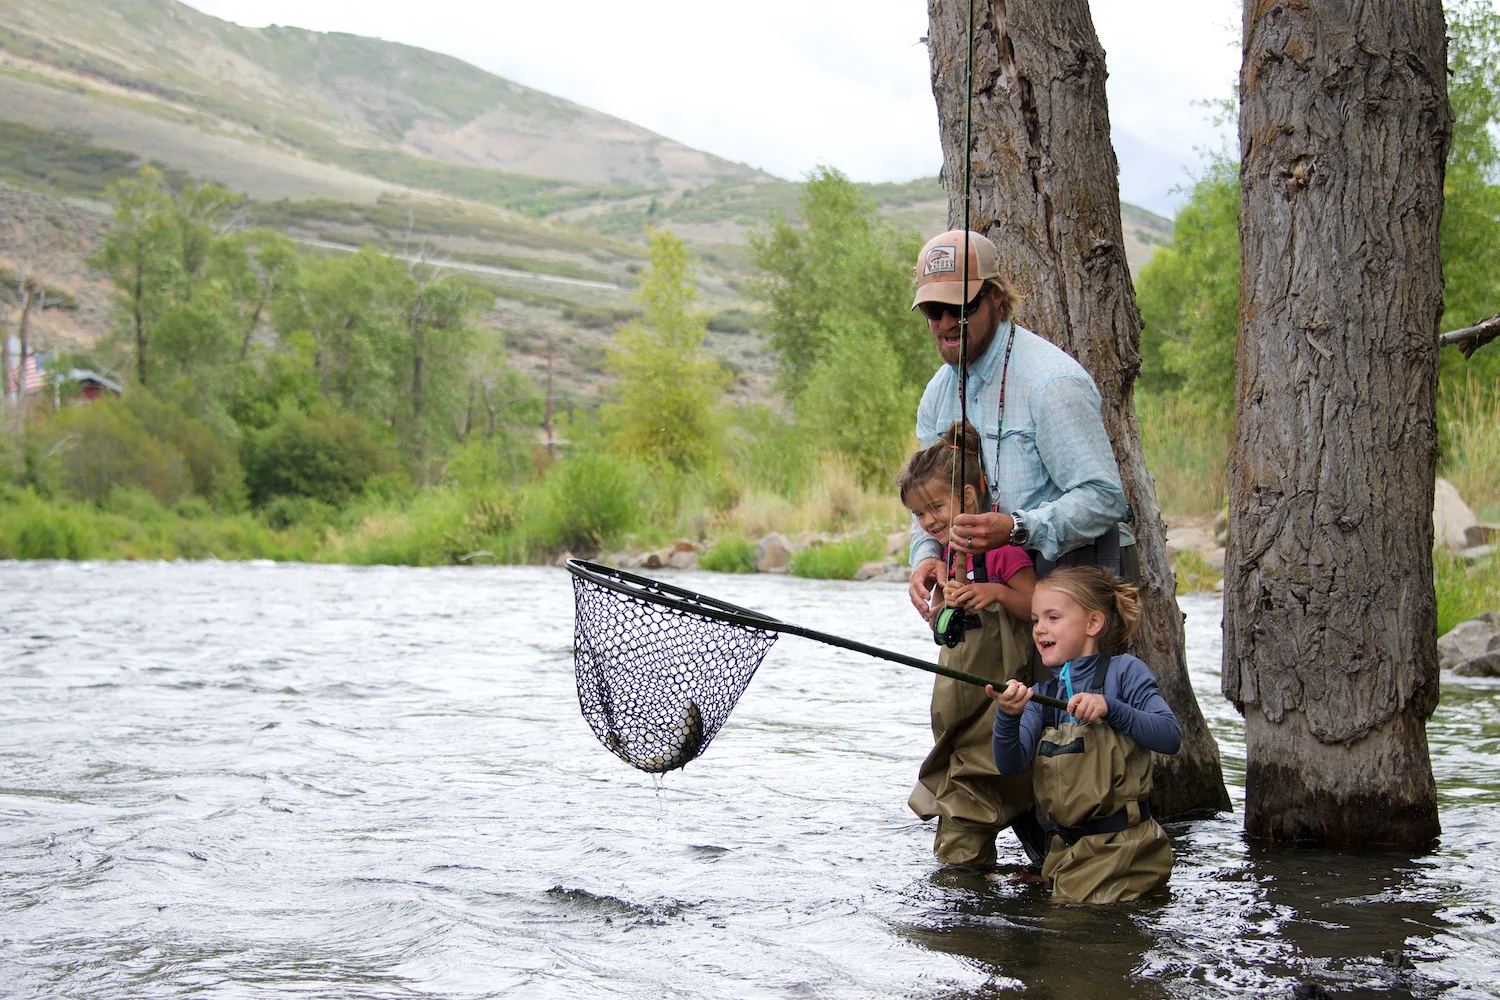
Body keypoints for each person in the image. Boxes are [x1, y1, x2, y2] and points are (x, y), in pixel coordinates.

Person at [906, 229, 1132, 622]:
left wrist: (1016, 528)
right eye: (932, 310)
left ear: (995, 296)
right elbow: (926, 500)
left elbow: (1105, 498)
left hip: (1074, 584)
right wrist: (926, 556)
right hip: (988, 593)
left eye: (960, 307)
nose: (946, 322)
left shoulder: (1051, 384)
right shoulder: (936, 397)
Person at [987, 567, 1181, 903]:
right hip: (1067, 854)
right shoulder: (1041, 696)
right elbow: (1009, 764)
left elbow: (1170, 736)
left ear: (1093, 624)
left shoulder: (1125, 672)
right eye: (1035, 620)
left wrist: (1111, 707)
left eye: (1053, 617)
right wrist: (1008, 715)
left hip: (1125, 851)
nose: (1040, 628)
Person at [898, 421, 1038, 867]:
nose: (930, 521)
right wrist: (941, 608)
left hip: (996, 701)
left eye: (936, 506)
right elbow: (947, 631)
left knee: (972, 796)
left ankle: (964, 879)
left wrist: (994, 592)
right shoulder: (947, 558)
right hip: (957, 709)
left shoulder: (1002, 553)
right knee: (956, 783)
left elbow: (1035, 604)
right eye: (920, 515)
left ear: (970, 497)